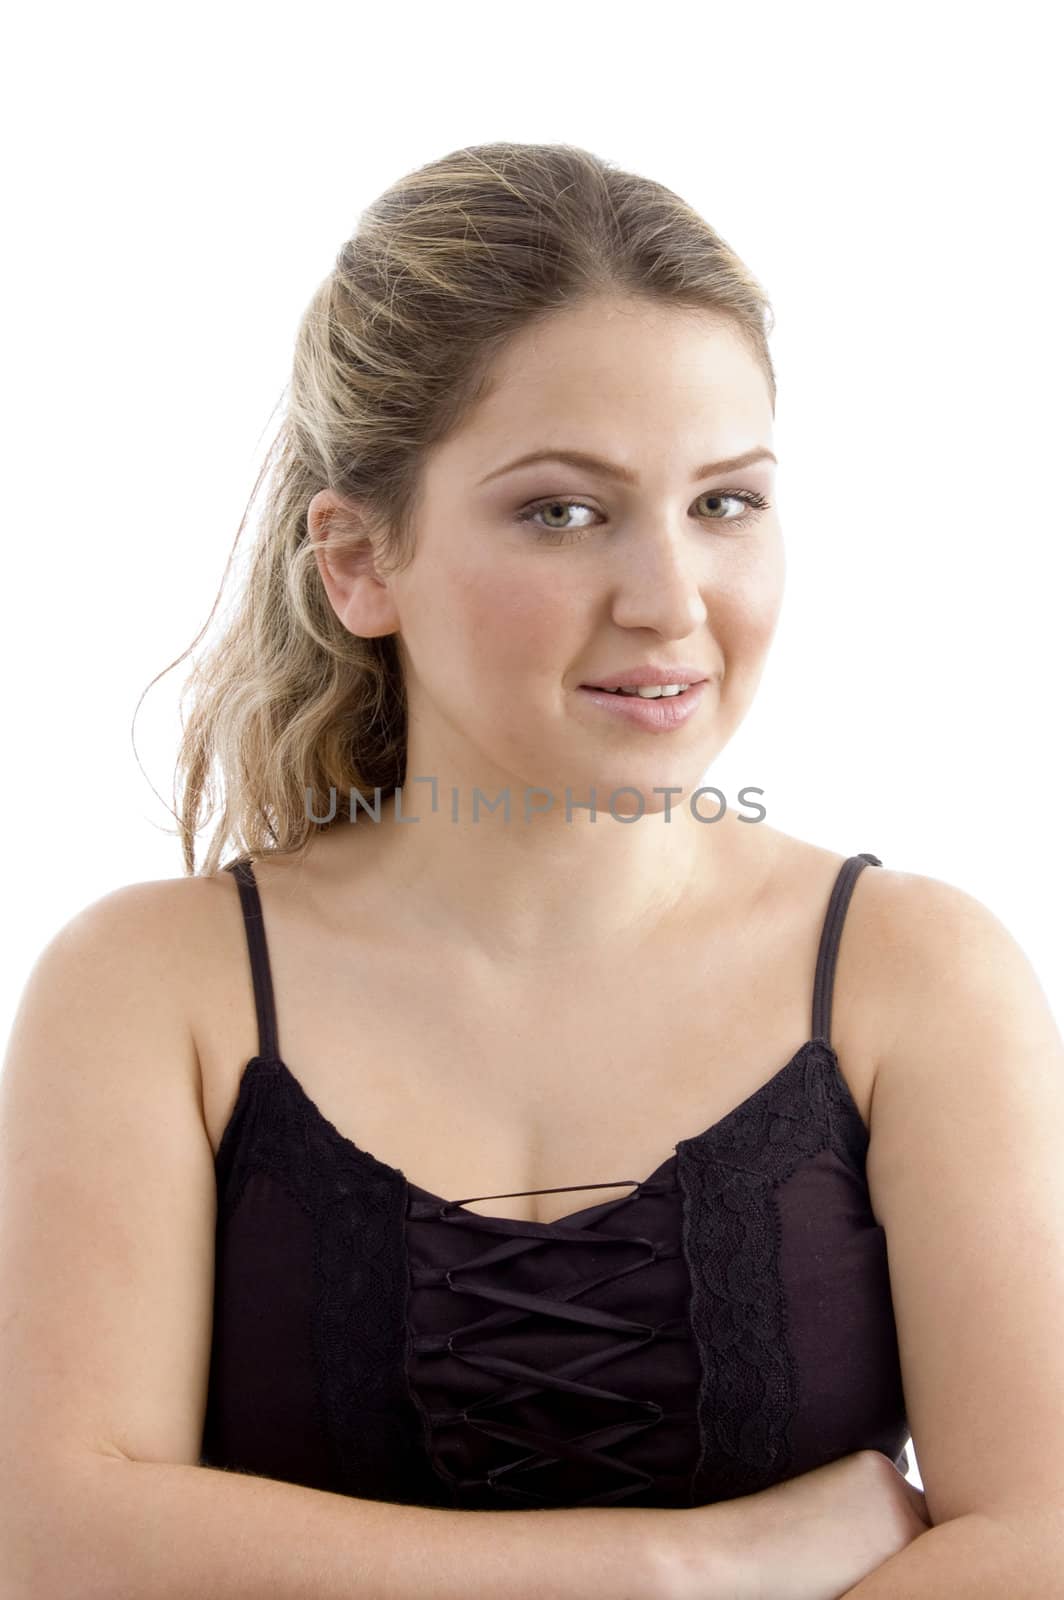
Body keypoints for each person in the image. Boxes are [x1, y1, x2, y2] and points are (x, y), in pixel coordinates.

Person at [6, 140, 1060, 1600]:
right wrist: (684, 1574)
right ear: (360, 560)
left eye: (727, 502)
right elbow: (57, 1544)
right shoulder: (151, 991)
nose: (670, 598)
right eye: (563, 511)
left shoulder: (916, 976)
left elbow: (1041, 1540)